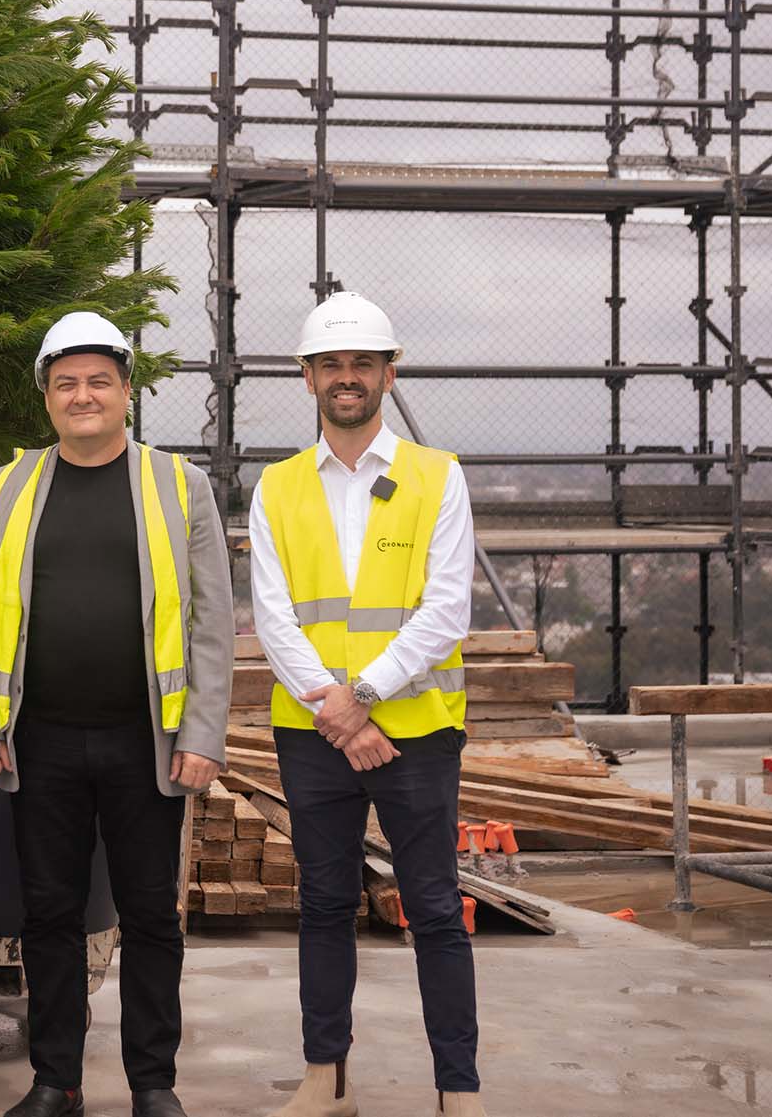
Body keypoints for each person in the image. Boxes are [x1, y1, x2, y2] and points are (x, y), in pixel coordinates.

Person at [0, 310, 235, 1117]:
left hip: (147, 745)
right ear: (46, 396)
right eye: (67, 382)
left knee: (150, 916)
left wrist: (203, 733)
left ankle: (154, 1085)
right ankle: (57, 1083)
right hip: (38, 742)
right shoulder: (8, 488)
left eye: (99, 381)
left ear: (126, 392)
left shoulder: (179, 485)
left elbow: (214, 621)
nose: (84, 396)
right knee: (48, 916)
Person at [250, 292, 485, 1117]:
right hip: (318, 730)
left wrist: (363, 698)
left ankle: (458, 1088)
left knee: (432, 907)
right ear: (307, 376)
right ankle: (327, 1081)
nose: (345, 378)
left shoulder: (437, 476)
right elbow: (274, 618)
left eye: (361, 363)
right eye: (330, 365)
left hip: (414, 729)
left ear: (389, 372)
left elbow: (445, 609)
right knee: (320, 904)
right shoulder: (276, 488)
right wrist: (339, 710)